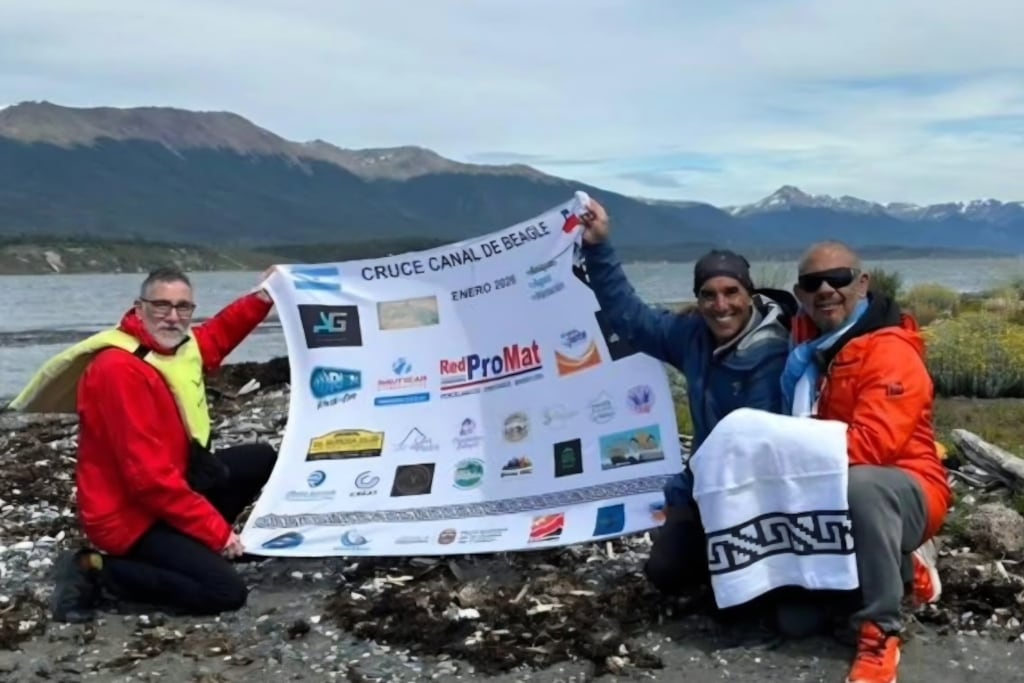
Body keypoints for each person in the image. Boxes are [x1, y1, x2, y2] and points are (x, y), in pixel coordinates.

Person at [9, 265, 279, 622]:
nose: (173, 316)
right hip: (128, 516)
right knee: (226, 593)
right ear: (139, 308)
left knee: (259, 457)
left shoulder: (177, 348)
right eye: (161, 306)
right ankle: (98, 571)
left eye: (183, 307)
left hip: (172, 489)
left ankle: (188, 549)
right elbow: (149, 481)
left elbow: (218, 334)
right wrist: (218, 534)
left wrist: (265, 296)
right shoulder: (118, 370)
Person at [578, 198, 796, 594]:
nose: (721, 305)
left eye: (731, 292)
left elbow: (748, 452)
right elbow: (631, 317)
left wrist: (685, 486)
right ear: (698, 300)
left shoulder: (777, 354)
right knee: (666, 573)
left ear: (749, 294)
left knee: (765, 607)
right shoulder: (693, 336)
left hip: (764, 495)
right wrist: (598, 246)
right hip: (706, 489)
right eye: (708, 295)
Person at [782, 241, 950, 683]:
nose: (825, 290)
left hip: (905, 488)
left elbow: (872, 446)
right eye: (811, 283)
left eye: (837, 280)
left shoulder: (890, 352)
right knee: (795, 622)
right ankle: (902, 565)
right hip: (833, 488)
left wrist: (789, 460)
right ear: (799, 293)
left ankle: (881, 633)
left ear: (862, 284)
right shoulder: (805, 350)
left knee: (864, 485)